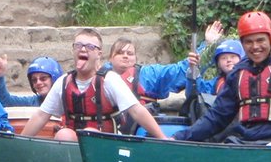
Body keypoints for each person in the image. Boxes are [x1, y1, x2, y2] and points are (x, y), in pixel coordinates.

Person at [173, 0, 271, 143]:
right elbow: (217, 117)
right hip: (248, 141)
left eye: (260, 40)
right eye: (248, 42)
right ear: (242, 44)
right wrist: (179, 138)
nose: (255, 47)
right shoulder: (238, 73)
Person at [21, 28, 168, 141]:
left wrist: (163, 138)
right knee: (63, 134)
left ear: (99, 54)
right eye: (78, 45)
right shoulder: (63, 82)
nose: (83, 49)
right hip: (74, 145)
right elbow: (41, 115)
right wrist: (20, 141)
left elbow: (137, 110)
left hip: (105, 144)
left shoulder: (110, 80)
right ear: (73, 50)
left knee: (91, 135)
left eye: (90, 47)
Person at [104, 20, 224, 129]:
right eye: (120, 53)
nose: (125, 55)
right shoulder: (100, 78)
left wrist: (208, 46)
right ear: (110, 58)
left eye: (129, 53)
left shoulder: (148, 75)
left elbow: (182, 70)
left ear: (135, 58)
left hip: (139, 130)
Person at [0, 54, 64, 106]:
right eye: (34, 80)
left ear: (55, 78)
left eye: (43, 78)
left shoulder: (66, 101)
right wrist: (0, 74)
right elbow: (4, 101)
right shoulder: (33, 102)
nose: (38, 82)